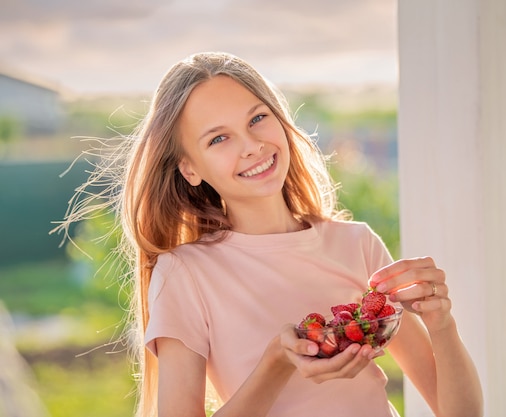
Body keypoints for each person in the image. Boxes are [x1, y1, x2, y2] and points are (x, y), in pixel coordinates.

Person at [57, 52, 483, 417]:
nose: (251, 146)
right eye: (219, 138)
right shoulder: (184, 273)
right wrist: (276, 364)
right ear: (189, 168)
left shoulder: (357, 244)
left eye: (257, 118)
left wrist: (442, 323)